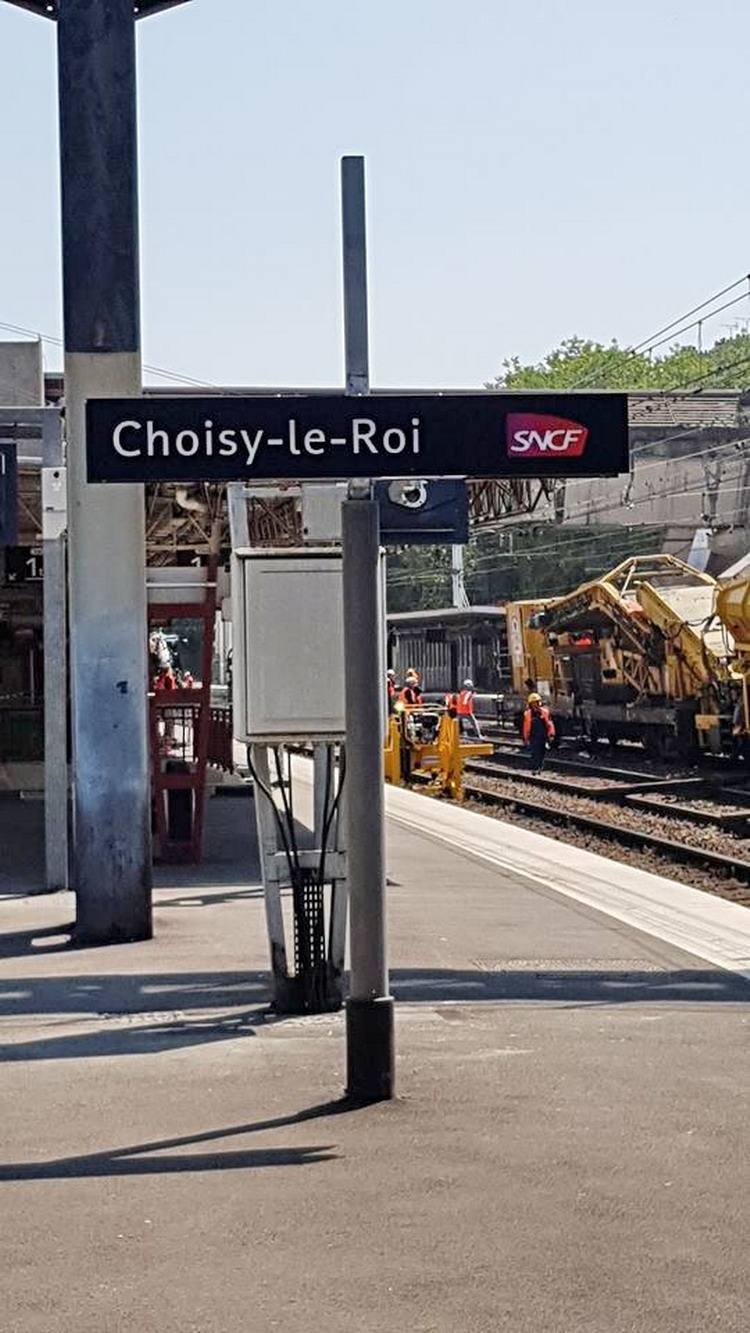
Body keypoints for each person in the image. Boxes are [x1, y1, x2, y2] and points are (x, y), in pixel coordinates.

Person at [522, 692, 555, 773]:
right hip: (533, 737)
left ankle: (540, 767)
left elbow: (550, 724)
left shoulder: (545, 712)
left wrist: (551, 734)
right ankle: (535, 767)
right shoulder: (527, 714)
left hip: (543, 736)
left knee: (542, 752)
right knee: (535, 752)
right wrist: (525, 738)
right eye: (533, 703)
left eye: (536, 703)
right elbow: (526, 727)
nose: (534, 705)